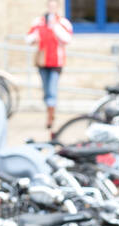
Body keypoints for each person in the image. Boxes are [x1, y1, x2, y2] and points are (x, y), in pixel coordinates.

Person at [27, 3, 73, 134]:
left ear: (57, 7)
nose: (51, 8)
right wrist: (34, 37)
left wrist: (55, 27)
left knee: (52, 89)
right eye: (50, 5)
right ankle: (50, 111)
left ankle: (50, 117)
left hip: (56, 62)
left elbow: (67, 39)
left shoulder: (63, 22)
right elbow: (29, 38)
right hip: (43, 61)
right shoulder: (39, 21)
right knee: (46, 89)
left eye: (54, 6)